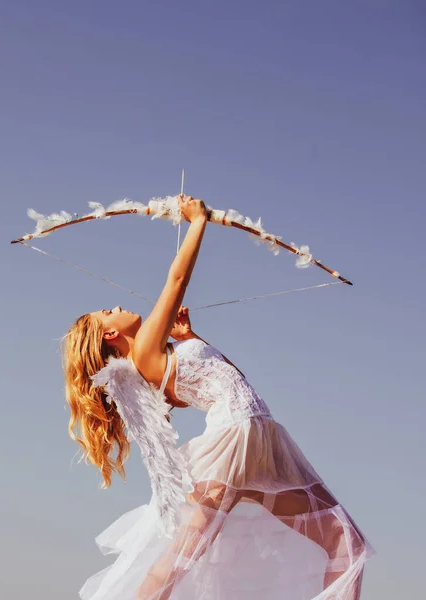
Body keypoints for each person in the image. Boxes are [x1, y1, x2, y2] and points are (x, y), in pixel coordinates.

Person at [63, 195, 373, 600]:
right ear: (109, 335)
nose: (118, 306)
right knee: (175, 561)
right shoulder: (143, 353)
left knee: (346, 541)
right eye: (109, 311)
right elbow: (176, 281)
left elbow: (236, 379)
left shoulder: (164, 351)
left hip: (263, 443)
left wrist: (191, 337)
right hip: (232, 443)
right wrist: (197, 223)